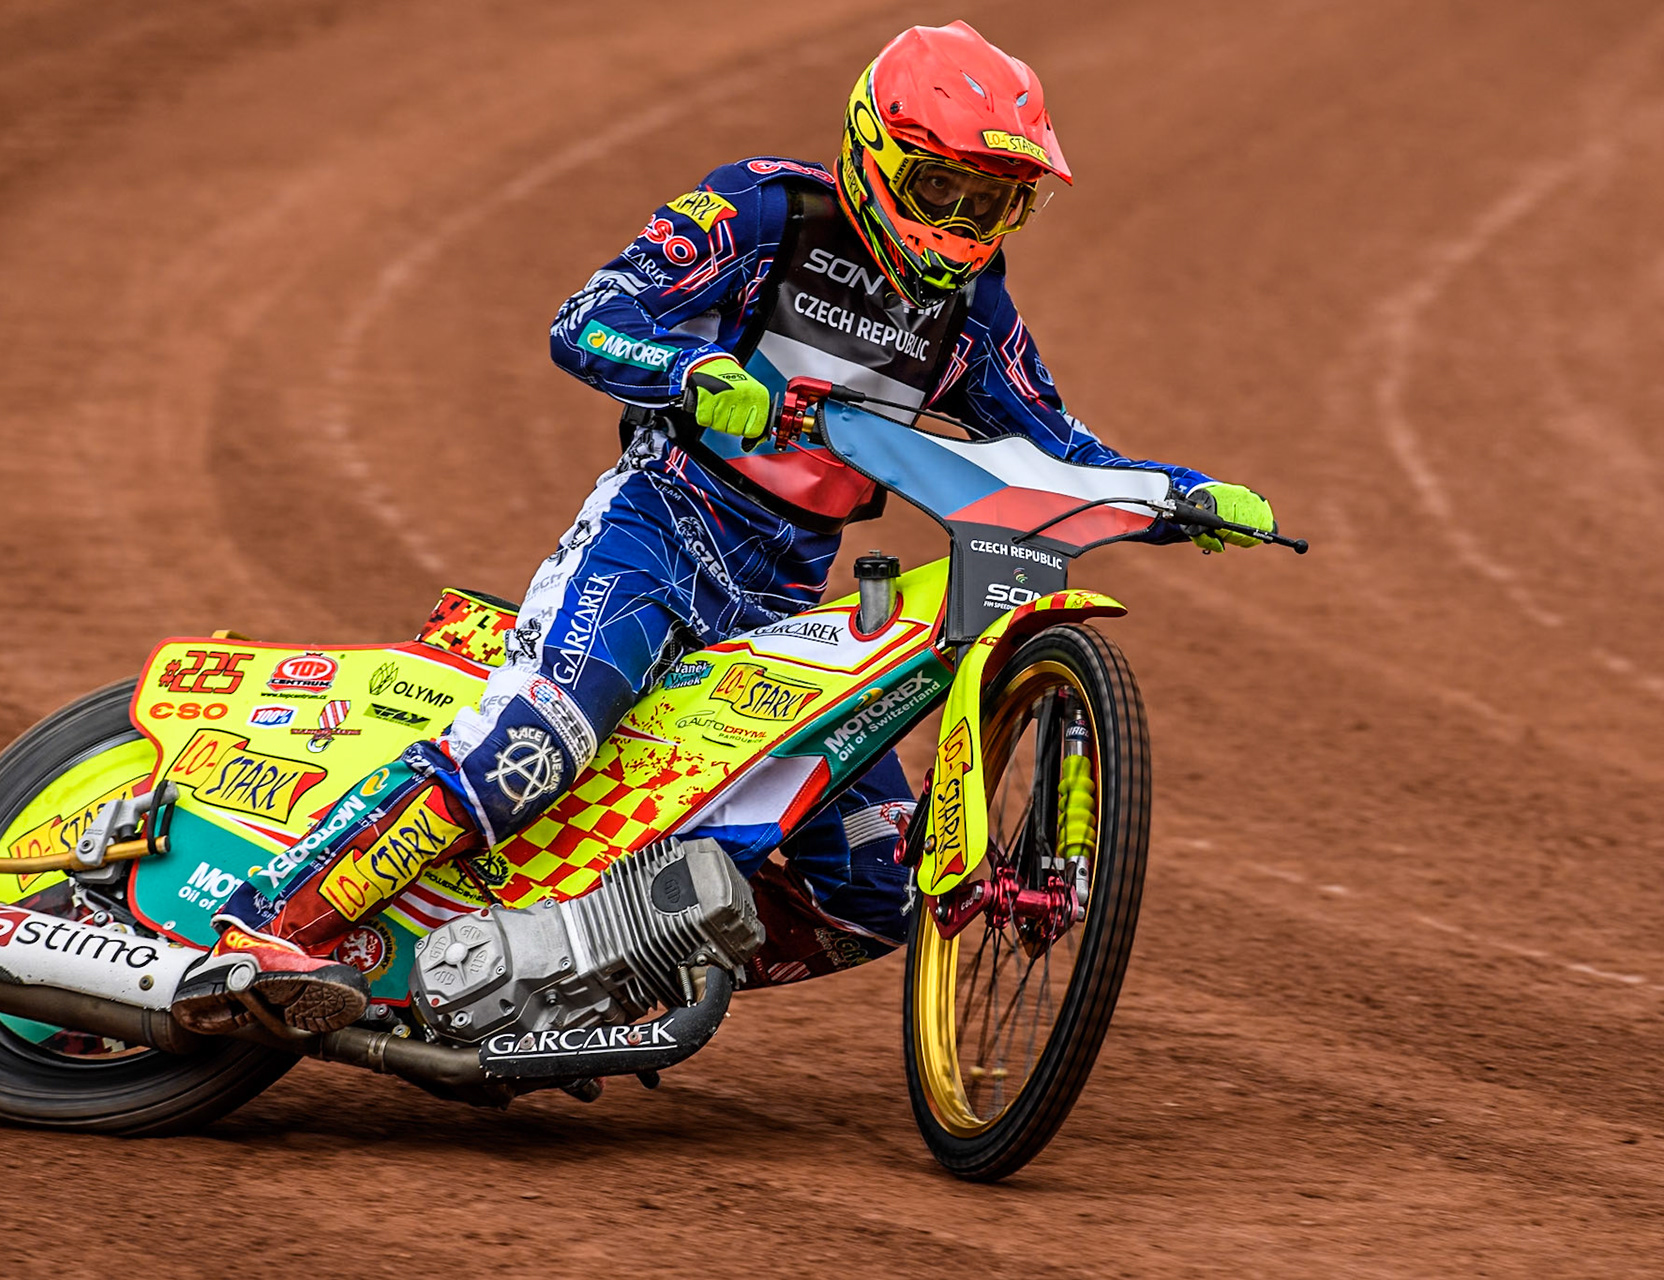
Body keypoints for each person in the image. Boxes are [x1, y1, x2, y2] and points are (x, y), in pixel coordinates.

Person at [172, 19, 1276, 1035]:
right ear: (876, 155)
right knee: (544, 733)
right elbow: (587, 319)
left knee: (880, 881)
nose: (956, 229)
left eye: (986, 206)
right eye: (939, 189)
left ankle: (597, 964)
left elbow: (1057, 450)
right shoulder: (765, 209)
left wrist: (1179, 494)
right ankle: (271, 921)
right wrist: (693, 370)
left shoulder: (970, 312)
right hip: (659, 531)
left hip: (787, 599)